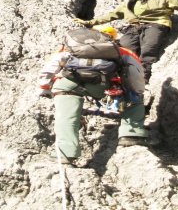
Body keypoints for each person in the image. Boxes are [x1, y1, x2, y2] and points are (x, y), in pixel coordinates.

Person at [38, 26, 148, 165]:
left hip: (69, 85)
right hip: (101, 85)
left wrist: (45, 88)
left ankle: (65, 154)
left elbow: (49, 68)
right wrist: (135, 93)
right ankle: (131, 134)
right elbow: (136, 76)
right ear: (112, 38)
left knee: (66, 117)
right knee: (135, 99)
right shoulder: (121, 51)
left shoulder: (72, 48)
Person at [74, 0, 178, 82]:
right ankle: (123, 77)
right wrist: (90, 23)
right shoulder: (129, 4)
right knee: (124, 49)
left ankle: (143, 79)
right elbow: (111, 15)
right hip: (134, 28)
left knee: (148, 49)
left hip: (156, 25)